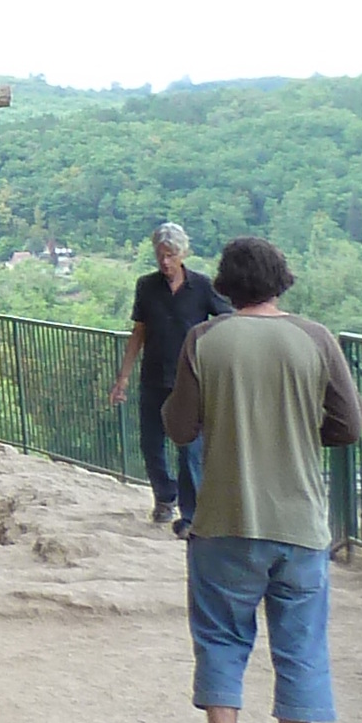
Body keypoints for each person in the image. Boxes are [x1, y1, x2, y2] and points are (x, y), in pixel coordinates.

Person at [164, 234, 362, 723]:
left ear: (225, 284)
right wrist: (298, 435)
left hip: (224, 522)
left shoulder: (204, 340)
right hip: (300, 524)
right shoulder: (315, 338)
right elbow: (348, 426)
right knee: (300, 652)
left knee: (222, 644)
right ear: (280, 279)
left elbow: (178, 426)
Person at [109, 222, 225, 533]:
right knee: (151, 444)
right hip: (153, 377)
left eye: (170, 255)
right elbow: (139, 333)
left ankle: (191, 516)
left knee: (189, 448)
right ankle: (164, 498)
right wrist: (123, 378)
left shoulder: (201, 286)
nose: (165, 262)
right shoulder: (145, 286)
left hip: (191, 382)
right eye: (160, 255)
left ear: (183, 253)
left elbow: (227, 322)